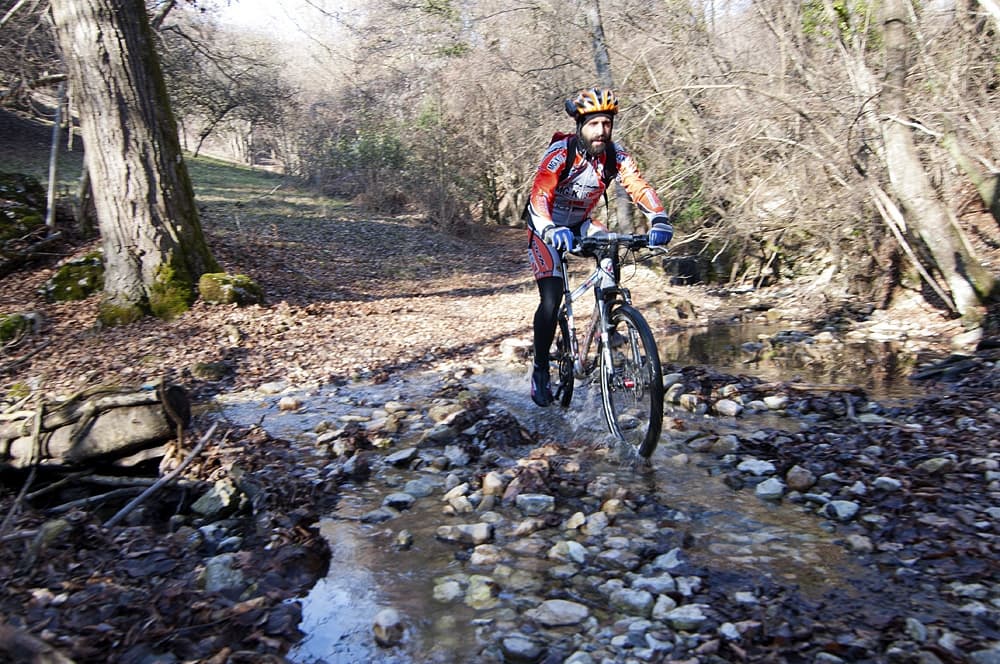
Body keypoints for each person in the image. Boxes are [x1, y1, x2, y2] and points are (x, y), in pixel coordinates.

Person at [525, 87, 674, 407]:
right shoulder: (560, 153)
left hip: (579, 222)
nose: (601, 131)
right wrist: (550, 228)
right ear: (580, 126)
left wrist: (659, 218)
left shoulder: (615, 156)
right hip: (545, 224)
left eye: (606, 123)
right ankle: (539, 369)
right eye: (594, 124)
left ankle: (608, 317)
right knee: (551, 300)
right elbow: (539, 196)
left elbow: (638, 184)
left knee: (611, 245)